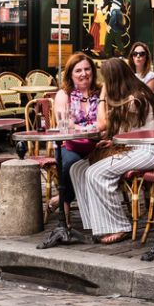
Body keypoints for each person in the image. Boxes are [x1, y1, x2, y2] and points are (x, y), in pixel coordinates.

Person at [68, 57, 154, 244]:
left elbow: (102, 123)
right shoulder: (127, 96)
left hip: (147, 151)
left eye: (106, 80)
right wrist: (112, 141)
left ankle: (119, 226)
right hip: (129, 148)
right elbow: (128, 129)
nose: (104, 83)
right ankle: (96, 223)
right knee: (77, 169)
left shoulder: (136, 98)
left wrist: (102, 95)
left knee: (96, 172)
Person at [51, 52, 101, 210]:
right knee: (71, 162)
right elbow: (65, 125)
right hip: (69, 144)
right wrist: (92, 127)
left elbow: (107, 121)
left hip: (97, 144)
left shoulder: (101, 93)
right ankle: (66, 201)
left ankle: (60, 198)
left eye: (87, 69)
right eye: (78, 70)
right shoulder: (64, 94)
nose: (84, 74)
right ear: (70, 75)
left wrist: (83, 127)